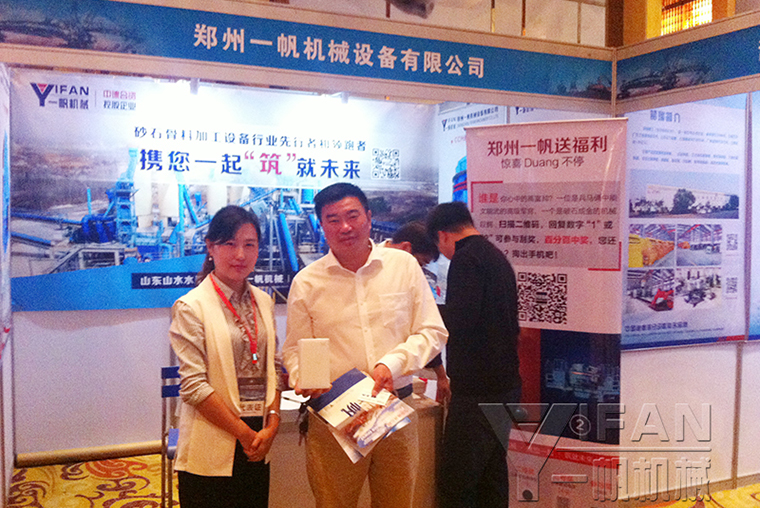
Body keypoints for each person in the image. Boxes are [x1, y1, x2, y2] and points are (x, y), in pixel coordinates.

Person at [283, 183, 447, 508]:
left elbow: (432, 331)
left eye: (352, 215)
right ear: (322, 226)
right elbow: (294, 349)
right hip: (335, 416)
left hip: (395, 411)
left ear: (369, 218)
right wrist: (302, 376)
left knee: (397, 502)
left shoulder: (403, 267)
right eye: (333, 219)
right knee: (333, 503)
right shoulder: (307, 282)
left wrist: (392, 364)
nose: (345, 227)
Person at [169, 205, 285, 508]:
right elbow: (194, 387)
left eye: (249, 244)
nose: (240, 255)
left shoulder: (264, 301)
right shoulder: (191, 307)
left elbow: (273, 367)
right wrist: (244, 433)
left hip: (258, 437)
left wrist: (273, 423)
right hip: (215, 437)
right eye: (230, 244)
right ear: (211, 247)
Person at [426, 201, 522, 508]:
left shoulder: (465, 259)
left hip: (477, 390)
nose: (443, 254)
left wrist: (426, 312)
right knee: (492, 475)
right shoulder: (494, 255)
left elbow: (461, 320)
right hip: (505, 384)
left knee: (457, 481)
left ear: (443, 235)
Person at [382, 220, 451, 405]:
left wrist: (441, 375)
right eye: (420, 263)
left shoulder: (411, 274)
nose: (420, 269)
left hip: (399, 382)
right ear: (406, 248)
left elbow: (427, 328)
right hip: (359, 385)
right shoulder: (368, 267)